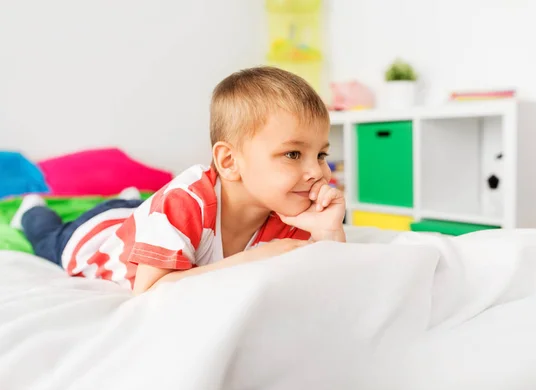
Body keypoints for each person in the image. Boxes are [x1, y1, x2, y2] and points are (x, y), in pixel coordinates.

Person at [11, 66, 346, 294]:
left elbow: (332, 279)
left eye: (321, 154)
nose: (318, 172)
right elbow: (151, 290)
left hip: (145, 216)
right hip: (96, 238)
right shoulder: (187, 200)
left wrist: (328, 231)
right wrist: (251, 260)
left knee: (142, 208)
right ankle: (32, 207)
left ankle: (136, 203)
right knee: (47, 236)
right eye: (293, 154)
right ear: (229, 162)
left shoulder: (287, 210)